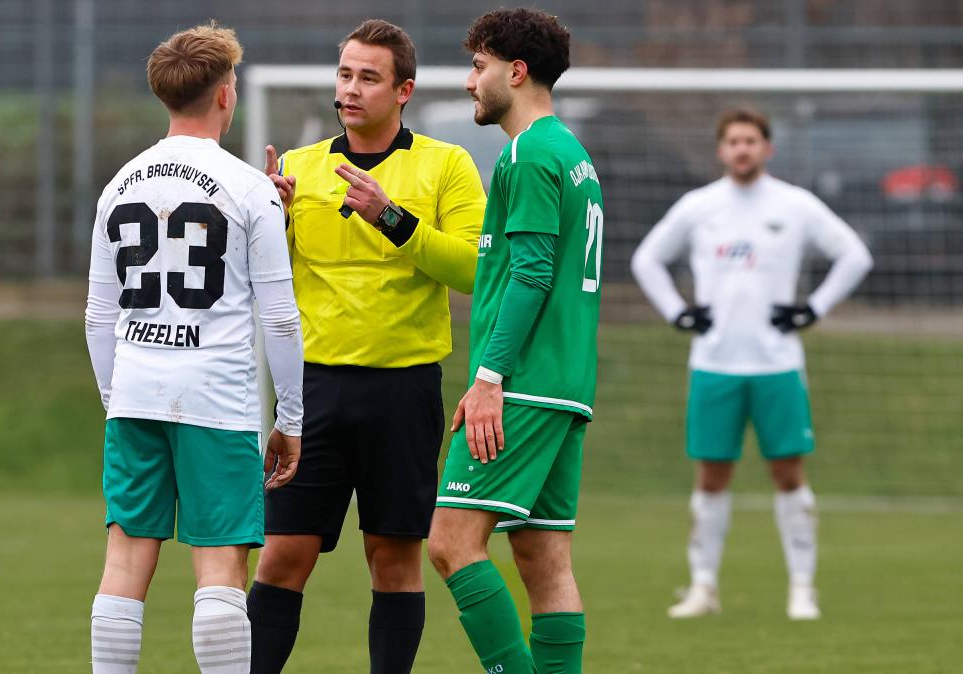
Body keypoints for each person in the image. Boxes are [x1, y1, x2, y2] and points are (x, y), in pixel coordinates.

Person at [247, 18, 486, 674]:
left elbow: (474, 269)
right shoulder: (296, 168)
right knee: (281, 554)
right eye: (345, 74)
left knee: (393, 558)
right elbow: (257, 282)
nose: (350, 89)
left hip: (403, 390)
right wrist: (273, 224)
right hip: (313, 392)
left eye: (369, 78)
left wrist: (391, 216)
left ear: (403, 89)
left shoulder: (446, 165)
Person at [83, 23, 303, 674]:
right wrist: (289, 420)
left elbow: (99, 315)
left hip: (134, 395)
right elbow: (282, 320)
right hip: (218, 397)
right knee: (221, 564)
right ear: (226, 95)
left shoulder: (119, 184)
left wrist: (113, 398)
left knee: (125, 560)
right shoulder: (247, 187)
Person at [630, 108, 874, 620]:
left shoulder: (795, 205)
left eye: (752, 140)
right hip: (714, 365)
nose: (742, 149)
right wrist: (679, 312)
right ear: (721, 150)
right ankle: (703, 588)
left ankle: (802, 588)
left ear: (768, 148)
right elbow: (646, 259)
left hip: (777, 365)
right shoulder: (699, 207)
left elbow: (854, 254)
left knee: (788, 474)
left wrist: (814, 308)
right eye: (734, 141)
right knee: (712, 477)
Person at [426, 9, 600, 674]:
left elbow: (530, 274)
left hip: (523, 382)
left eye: (478, 66)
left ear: (516, 71)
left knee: (450, 544)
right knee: (542, 558)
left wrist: (489, 377)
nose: (471, 81)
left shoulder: (527, 156)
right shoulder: (573, 155)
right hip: (566, 386)